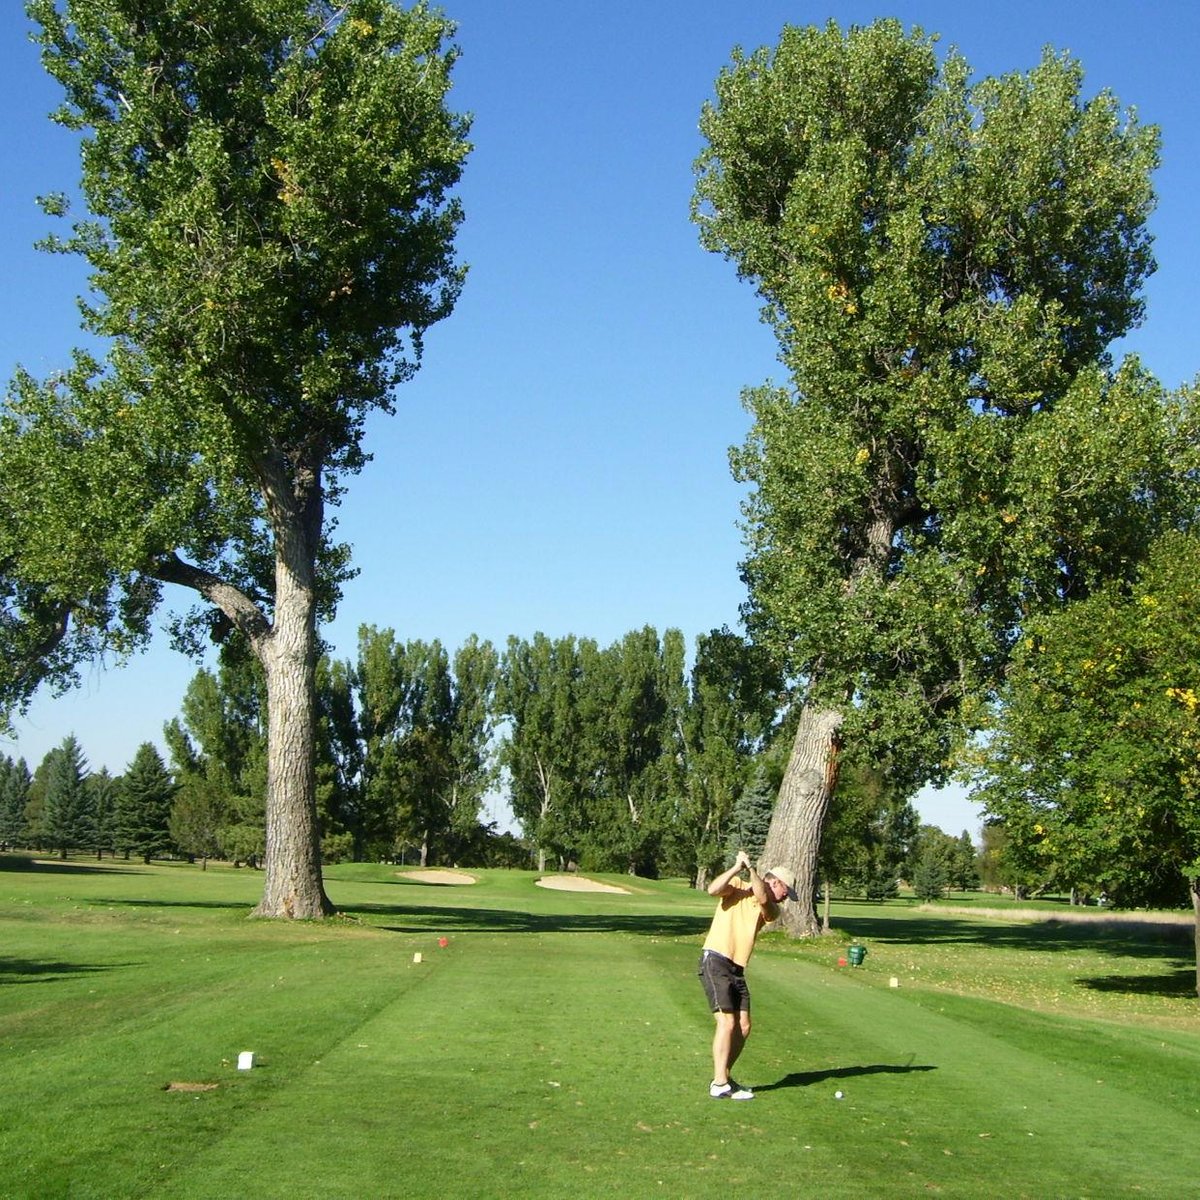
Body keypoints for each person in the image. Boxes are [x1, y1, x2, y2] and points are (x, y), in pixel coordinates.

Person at [698, 850, 797, 1100]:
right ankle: (719, 1083)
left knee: (743, 1025)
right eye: (786, 892)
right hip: (716, 959)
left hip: (737, 968)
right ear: (776, 882)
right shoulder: (736, 887)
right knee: (727, 1022)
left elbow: (762, 896)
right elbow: (712, 889)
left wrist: (751, 869)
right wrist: (736, 867)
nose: (786, 898)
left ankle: (724, 1078)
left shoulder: (773, 909)